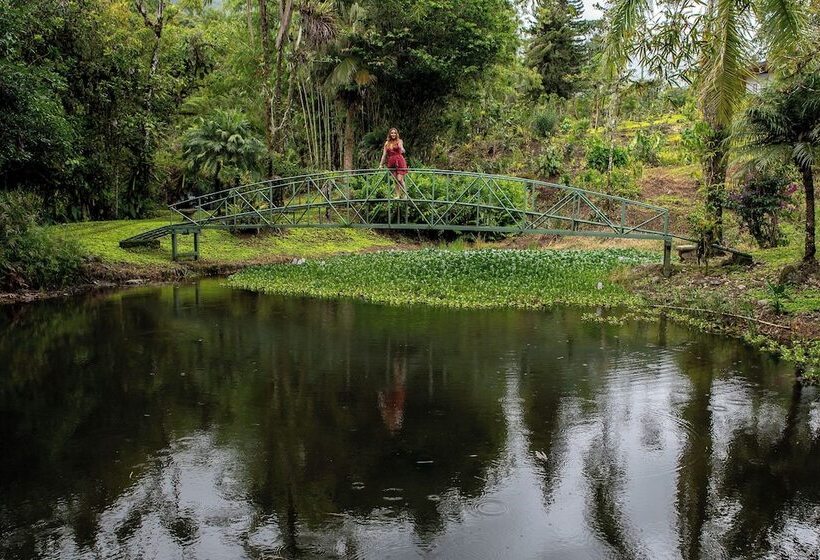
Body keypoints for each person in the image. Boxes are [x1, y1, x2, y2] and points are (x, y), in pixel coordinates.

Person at [379, 128, 408, 198]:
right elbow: (384, 154)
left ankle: (405, 194)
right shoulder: (387, 143)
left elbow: (401, 147)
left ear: (396, 134)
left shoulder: (399, 141)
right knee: (395, 180)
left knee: (399, 179)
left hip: (399, 161)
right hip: (391, 162)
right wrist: (380, 164)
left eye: (394, 133)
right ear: (389, 134)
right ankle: (397, 195)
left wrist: (402, 149)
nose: (393, 134)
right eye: (392, 133)